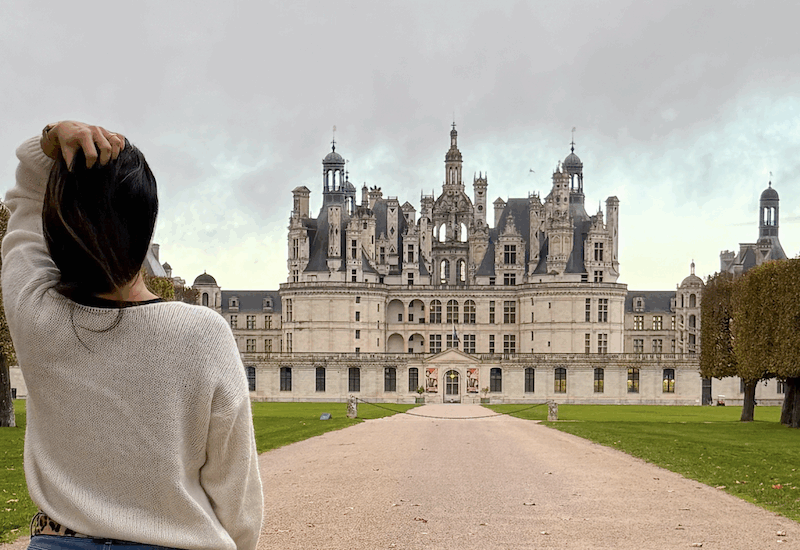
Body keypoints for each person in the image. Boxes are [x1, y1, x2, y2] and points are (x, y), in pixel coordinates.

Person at [1, 121, 263, 550]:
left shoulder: (35, 314)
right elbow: (237, 498)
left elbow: (23, 207)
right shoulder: (203, 334)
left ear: (53, 226)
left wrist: (50, 141)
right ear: (147, 225)